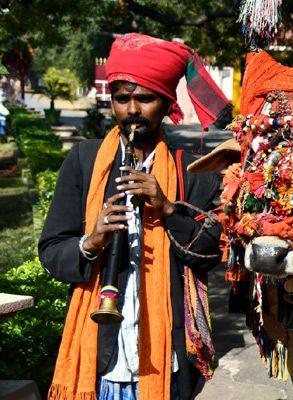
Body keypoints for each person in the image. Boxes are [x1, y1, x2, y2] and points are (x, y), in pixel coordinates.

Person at [39, 33, 231, 400]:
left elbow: (213, 252)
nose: (131, 110)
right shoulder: (83, 161)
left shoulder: (192, 169)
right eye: (121, 98)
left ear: (166, 103)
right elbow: (51, 251)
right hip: (98, 359)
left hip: (166, 361)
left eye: (145, 98)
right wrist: (91, 242)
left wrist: (169, 209)